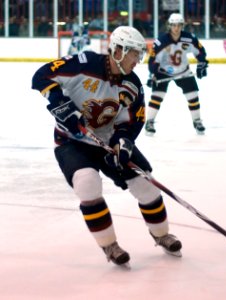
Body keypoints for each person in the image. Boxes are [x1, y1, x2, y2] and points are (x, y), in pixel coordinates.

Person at [31, 26, 182, 267]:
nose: (138, 60)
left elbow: (135, 119)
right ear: (119, 50)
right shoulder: (85, 63)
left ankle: (162, 235)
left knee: (146, 184)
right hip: (72, 142)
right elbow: (42, 76)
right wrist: (61, 105)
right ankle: (109, 245)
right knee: (87, 183)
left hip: (107, 142)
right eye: (134, 54)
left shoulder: (132, 85)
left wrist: (123, 141)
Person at [146, 13, 208, 135]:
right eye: (174, 25)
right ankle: (149, 121)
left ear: (182, 26)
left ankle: (197, 121)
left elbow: (200, 51)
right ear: (170, 26)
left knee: (193, 95)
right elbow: (153, 60)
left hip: (183, 71)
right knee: (157, 96)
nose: (176, 28)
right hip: (163, 72)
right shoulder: (161, 41)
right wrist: (152, 74)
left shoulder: (189, 38)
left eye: (179, 25)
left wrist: (202, 63)